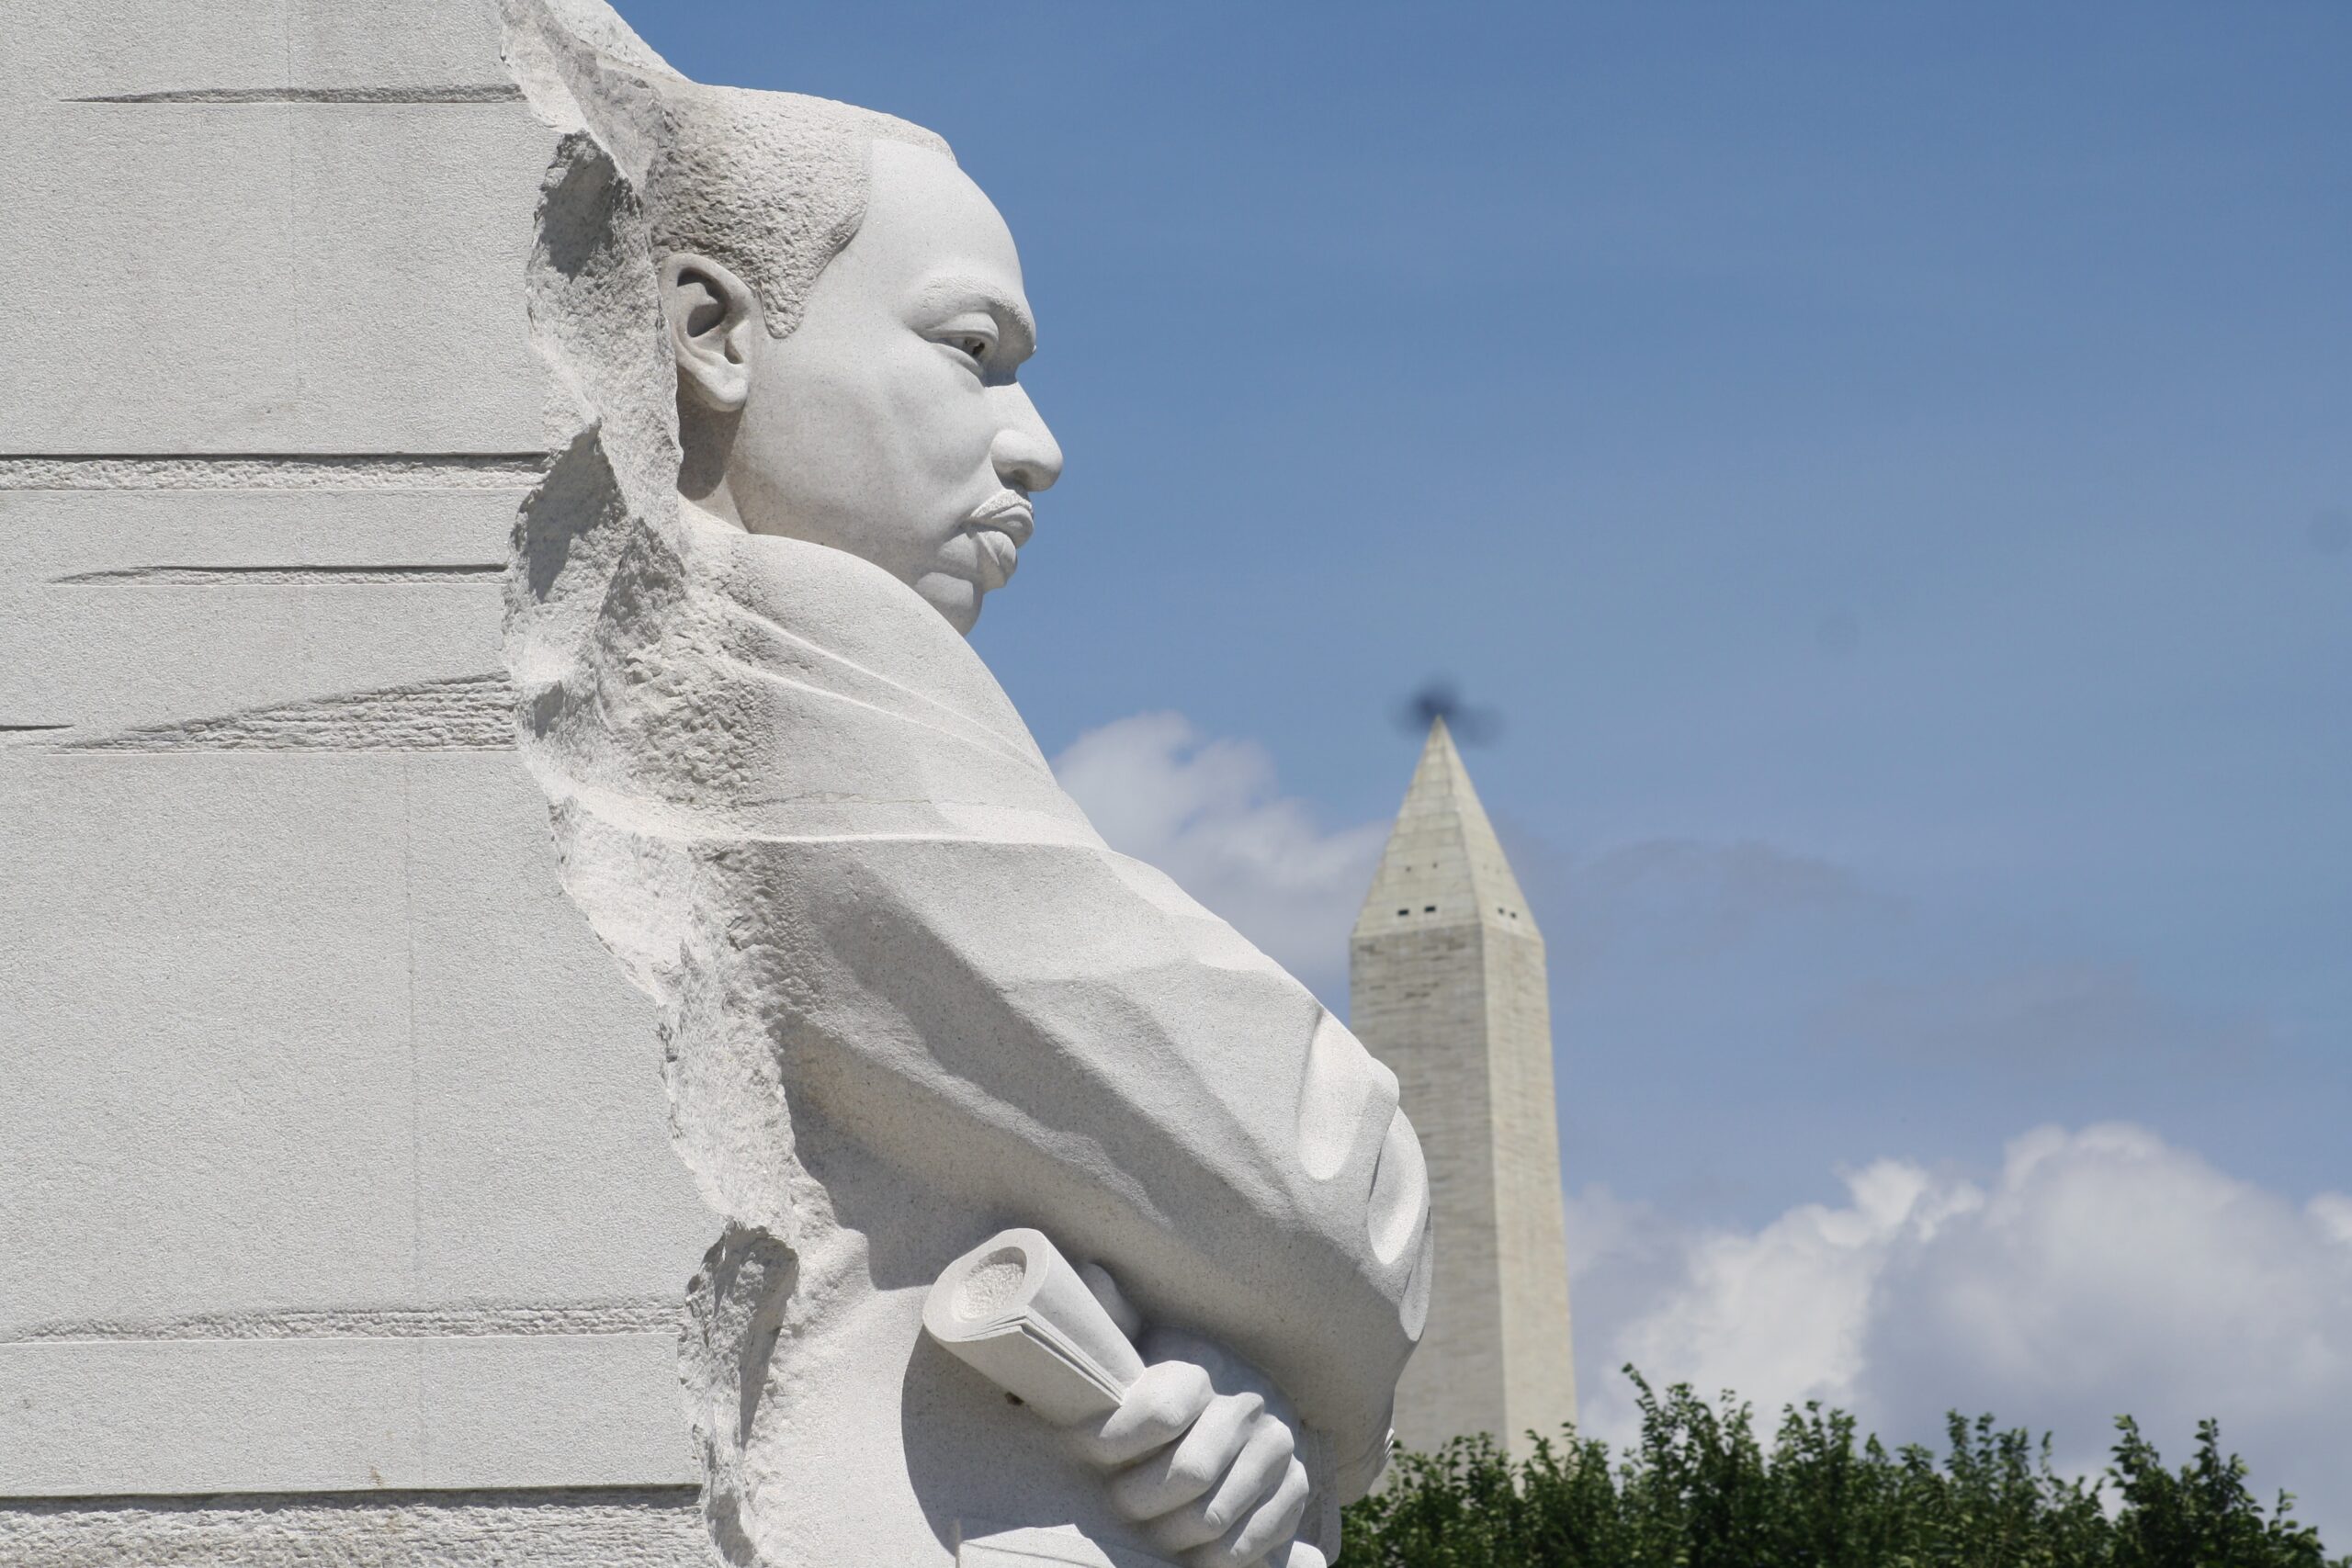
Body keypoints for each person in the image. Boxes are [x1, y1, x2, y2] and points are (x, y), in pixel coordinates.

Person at [504, 24, 1430, 1566]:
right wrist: (1291, 1339)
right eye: (970, 352)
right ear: (715, 334)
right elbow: (1326, 1193)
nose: (1037, 447)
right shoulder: (793, 662)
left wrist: (1238, 1390)